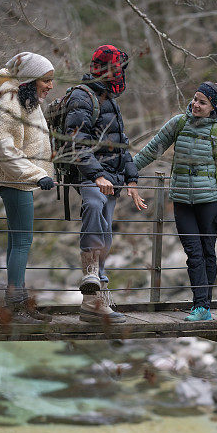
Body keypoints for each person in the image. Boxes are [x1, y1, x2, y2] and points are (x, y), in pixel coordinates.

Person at [133, 81, 217, 321]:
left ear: (213, 107)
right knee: (193, 252)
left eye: (202, 102)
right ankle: (201, 307)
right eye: (195, 99)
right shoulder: (179, 123)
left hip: (209, 200)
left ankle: (203, 307)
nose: (196, 105)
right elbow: (153, 149)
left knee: (208, 252)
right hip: (181, 200)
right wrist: (127, 171)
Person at [63, 44, 146, 322]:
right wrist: (95, 174)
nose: (121, 73)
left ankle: (97, 299)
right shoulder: (81, 97)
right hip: (90, 176)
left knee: (106, 233)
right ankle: (91, 280)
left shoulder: (108, 98)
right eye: (118, 68)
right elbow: (74, 143)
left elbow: (122, 147)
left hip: (112, 177)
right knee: (94, 205)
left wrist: (132, 178)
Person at [0, 51, 56, 323]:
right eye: (46, 80)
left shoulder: (26, 101)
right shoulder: (12, 103)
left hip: (18, 180)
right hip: (15, 181)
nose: (50, 86)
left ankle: (17, 303)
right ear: (30, 79)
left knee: (17, 242)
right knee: (23, 242)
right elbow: (4, 148)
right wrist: (36, 175)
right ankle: (15, 306)